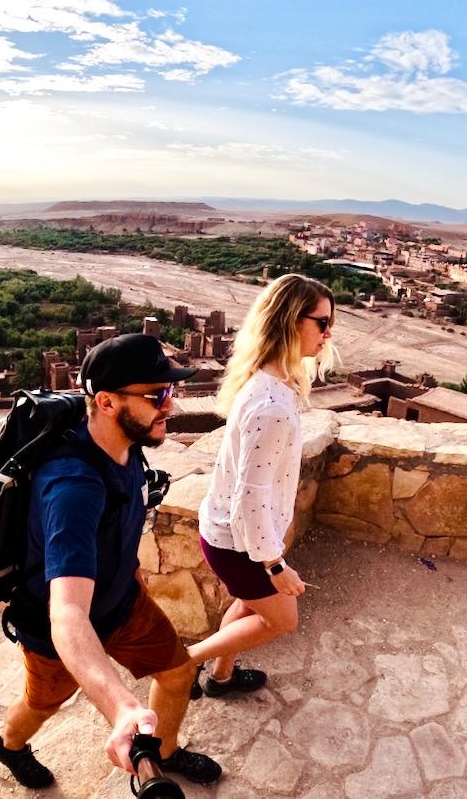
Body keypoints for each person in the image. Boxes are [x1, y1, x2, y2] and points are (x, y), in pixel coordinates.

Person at [0, 333, 222, 789]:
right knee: (42, 703)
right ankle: (9, 747)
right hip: (53, 630)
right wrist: (121, 707)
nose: (169, 406)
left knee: (176, 673)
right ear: (107, 402)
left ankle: (166, 752)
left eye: (171, 392)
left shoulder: (125, 440)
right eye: (158, 395)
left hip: (122, 603)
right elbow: (68, 611)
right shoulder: (73, 487)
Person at [187, 274, 337, 697]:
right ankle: (182, 665)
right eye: (321, 323)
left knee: (249, 605)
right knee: (282, 618)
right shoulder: (272, 406)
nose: (328, 333)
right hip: (240, 543)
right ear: (292, 321)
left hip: (235, 536)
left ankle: (221, 677)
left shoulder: (269, 382)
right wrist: (275, 566)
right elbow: (248, 500)